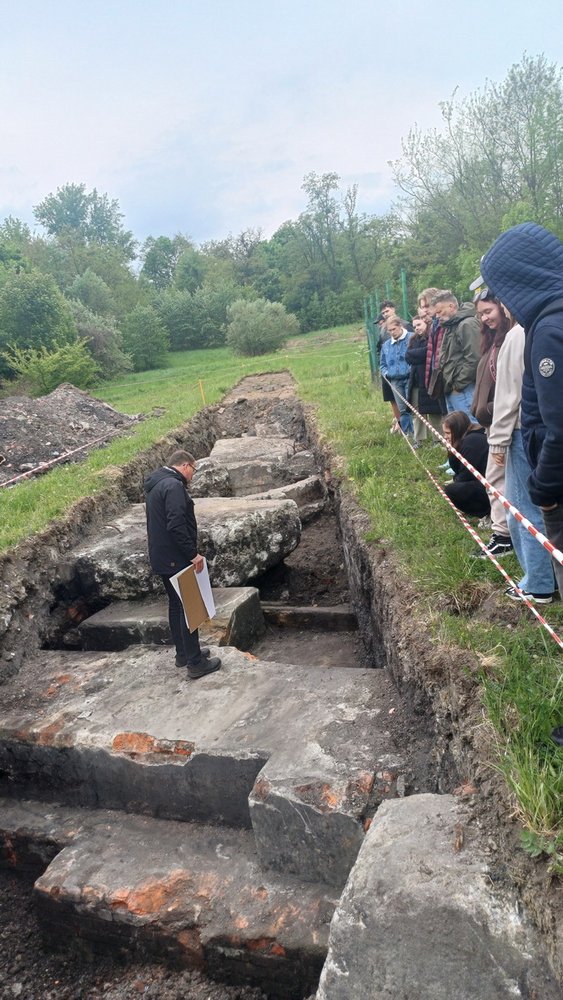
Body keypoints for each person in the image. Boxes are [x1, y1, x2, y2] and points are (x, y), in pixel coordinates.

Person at [480, 221, 563, 598]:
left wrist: (543, 486)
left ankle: (541, 585)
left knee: (529, 517)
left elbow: (553, 420)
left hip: (549, 471)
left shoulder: (543, 330)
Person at [486, 314, 556, 603]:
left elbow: (507, 394)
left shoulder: (518, 335)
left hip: (520, 431)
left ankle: (538, 584)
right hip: (548, 431)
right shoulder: (550, 326)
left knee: (522, 510)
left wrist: (499, 441)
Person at [145, 449, 221, 679]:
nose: (192, 476)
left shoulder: (157, 484)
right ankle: (195, 663)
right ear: (186, 465)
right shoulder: (174, 486)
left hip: (162, 556)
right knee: (189, 608)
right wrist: (192, 555)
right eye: (193, 470)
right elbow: (176, 524)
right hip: (176, 557)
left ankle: (184, 654)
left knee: (176, 605)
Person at [469, 289, 513, 559]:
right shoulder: (492, 341)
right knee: (495, 480)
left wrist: (488, 409)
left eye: (489, 311)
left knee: (497, 481)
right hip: (491, 421)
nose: (484, 318)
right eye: (481, 314)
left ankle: (503, 537)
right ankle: (503, 532)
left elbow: (511, 391)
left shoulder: (510, 339)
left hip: (502, 422)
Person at [432, 291, 481, 417]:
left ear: (451, 306)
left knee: (470, 428)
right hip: (452, 388)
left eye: (439, 312)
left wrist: (458, 385)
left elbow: (474, 358)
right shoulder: (451, 325)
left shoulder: (467, 324)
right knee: (458, 431)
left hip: (464, 389)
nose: (437, 316)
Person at [442, 411, 490, 518]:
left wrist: (455, 481)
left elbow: (465, 476)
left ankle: (486, 512)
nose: (445, 437)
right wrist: (451, 449)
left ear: (457, 430)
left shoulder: (471, 442)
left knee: (452, 490)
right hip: (484, 482)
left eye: (448, 433)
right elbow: (457, 469)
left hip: (490, 487)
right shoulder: (466, 438)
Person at [405, 314, 444, 446]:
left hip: (429, 380)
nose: (416, 328)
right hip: (415, 382)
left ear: (426, 323)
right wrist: (420, 354)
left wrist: (417, 354)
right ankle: (419, 439)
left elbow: (429, 352)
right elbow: (408, 356)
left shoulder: (432, 337)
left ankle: (437, 439)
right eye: (414, 326)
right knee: (417, 412)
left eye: (419, 325)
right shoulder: (413, 340)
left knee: (434, 412)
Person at [379, 316, 414, 435]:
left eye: (394, 329)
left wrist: (410, 370)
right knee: (402, 409)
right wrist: (387, 373)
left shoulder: (412, 338)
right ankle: (407, 433)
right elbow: (382, 364)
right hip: (394, 381)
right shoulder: (386, 345)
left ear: (400, 326)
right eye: (389, 330)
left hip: (410, 378)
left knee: (413, 407)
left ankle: (418, 435)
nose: (392, 332)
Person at [376, 312, 401, 431]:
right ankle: (399, 422)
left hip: (402, 373)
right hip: (388, 373)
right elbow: (379, 350)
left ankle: (403, 426)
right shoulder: (382, 333)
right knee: (392, 398)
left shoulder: (406, 328)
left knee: (406, 402)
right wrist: (384, 369)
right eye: (383, 312)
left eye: (387, 311)